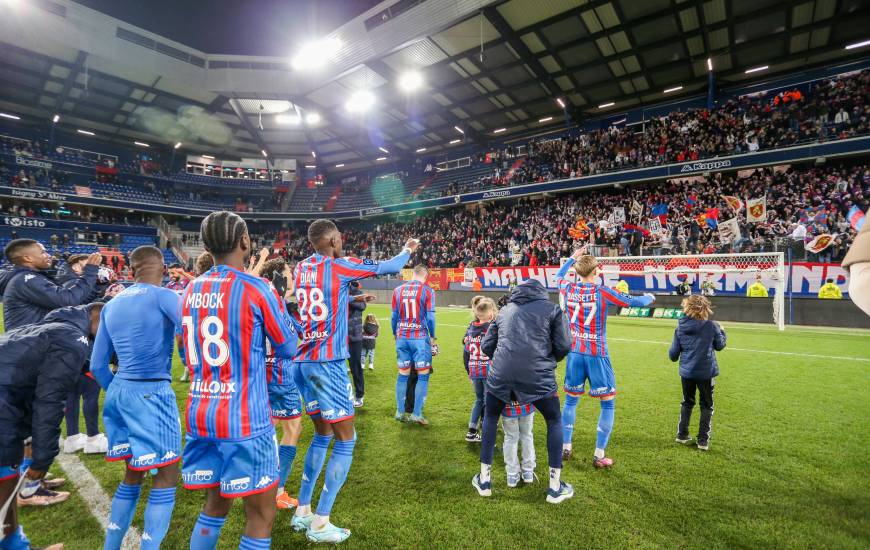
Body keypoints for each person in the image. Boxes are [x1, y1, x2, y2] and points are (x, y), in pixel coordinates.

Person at [290, 219, 418, 543]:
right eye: (340, 238)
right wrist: (408, 250)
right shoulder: (340, 266)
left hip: (301, 361)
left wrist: (348, 300)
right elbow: (389, 265)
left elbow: (318, 303)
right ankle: (321, 523)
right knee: (346, 439)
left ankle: (302, 511)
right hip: (327, 363)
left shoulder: (302, 268)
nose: (343, 241)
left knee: (321, 435)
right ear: (332, 239)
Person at [179, 211, 298, 550]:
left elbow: (186, 354)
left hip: (200, 413)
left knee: (215, 505)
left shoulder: (190, 288)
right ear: (245, 242)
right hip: (245, 419)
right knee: (260, 516)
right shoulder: (256, 287)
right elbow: (288, 347)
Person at [89, 246, 182, 550]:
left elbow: (97, 366)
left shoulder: (112, 305)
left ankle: (111, 545)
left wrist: (121, 390)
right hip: (151, 390)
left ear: (130, 270)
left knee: (133, 472)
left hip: (119, 391)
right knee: (166, 475)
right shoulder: (166, 296)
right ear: (164, 269)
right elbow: (195, 333)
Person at [0, 303, 103, 549]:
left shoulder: (54, 327)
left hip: (7, 406)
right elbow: (50, 400)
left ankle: (17, 545)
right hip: (4, 411)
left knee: (8, 486)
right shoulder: (72, 339)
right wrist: (42, 459)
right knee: (4, 492)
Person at [473, 279, 573, 504]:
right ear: (541, 292)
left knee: (490, 418)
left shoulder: (505, 310)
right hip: (539, 377)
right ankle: (555, 487)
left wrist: (505, 363)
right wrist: (547, 360)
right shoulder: (553, 309)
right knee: (554, 421)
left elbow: (487, 346)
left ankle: (485, 480)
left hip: (501, 376)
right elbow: (565, 345)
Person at [556, 250, 655, 467]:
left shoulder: (568, 287)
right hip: (596, 353)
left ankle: (565, 447)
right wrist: (651, 296)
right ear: (596, 270)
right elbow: (635, 302)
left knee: (571, 400)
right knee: (607, 404)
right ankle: (599, 455)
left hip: (574, 352)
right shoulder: (602, 291)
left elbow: (558, 277)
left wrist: (572, 258)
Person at [260, 257, 305, 511]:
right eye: (289, 273)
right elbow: (289, 342)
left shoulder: (265, 300)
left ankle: (258, 481)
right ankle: (277, 490)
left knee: (269, 427)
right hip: (280, 375)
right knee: (292, 430)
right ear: (279, 276)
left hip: (261, 377)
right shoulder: (276, 303)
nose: (292, 277)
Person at [0, 239, 101, 330]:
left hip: (30, 340)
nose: (49, 255)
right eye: (43, 252)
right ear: (28, 258)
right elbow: (68, 300)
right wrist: (90, 272)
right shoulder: (27, 280)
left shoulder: (27, 278)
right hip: (29, 344)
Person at [668, 296, 727, 451]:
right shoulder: (712, 326)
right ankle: (702, 441)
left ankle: (682, 435)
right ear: (705, 308)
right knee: (706, 405)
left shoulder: (680, 327)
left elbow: (673, 355)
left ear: (686, 307)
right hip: (706, 373)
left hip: (687, 373)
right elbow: (720, 346)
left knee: (687, 402)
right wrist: (722, 331)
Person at [392, 265, 437, 425]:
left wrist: (394, 334)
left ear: (413, 274)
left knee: (403, 374)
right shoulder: (427, 291)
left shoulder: (397, 290)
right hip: (419, 337)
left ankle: (399, 411)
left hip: (402, 336)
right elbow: (430, 318)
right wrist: (433, 337)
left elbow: (394, 316)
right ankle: (416, 414)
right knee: (423, 376)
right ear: (425, 276)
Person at [463, 297, 496, 443]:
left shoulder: (471, 328)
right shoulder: (491, 328)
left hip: (473, 368)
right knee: (489, 401)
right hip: (487, 368)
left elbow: (466, 346)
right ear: (490, 315)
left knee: (478, 400)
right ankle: (488, 434)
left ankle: (471, 431)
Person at [347, 281, 373, 408]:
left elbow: (362, 306)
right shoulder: (337, 291)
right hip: (338, 336)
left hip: (354, 337)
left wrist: (345, 299)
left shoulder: (357, 292)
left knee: (356, 367)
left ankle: (359, 395)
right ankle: (342, 395)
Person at [502, 402, 536, 487]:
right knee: (527, 435)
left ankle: (512, 474)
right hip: (526, 405)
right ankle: (528, 471)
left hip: (508, 409)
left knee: (510, 439)